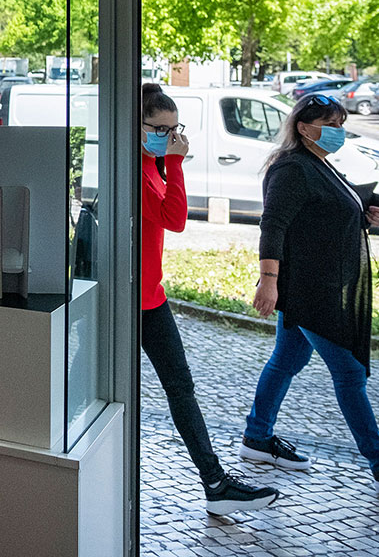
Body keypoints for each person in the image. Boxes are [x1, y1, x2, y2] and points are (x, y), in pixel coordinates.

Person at [241, 93, 379, 498]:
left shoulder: (319, 163)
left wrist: (363, 213)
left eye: (341, 125)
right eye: (330, 125)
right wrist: (268, 280)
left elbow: (320, 215)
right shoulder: (292, 167)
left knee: (287, 360)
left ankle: (257, 438)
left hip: (317, 285)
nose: (338, 132)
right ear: (303, 128)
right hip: (310, 291)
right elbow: (273, 225)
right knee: (349, 373)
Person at [139, 83, 279, 514]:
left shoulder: (150, 165)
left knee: (181, 388)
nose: (169, 137)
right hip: (134, 301)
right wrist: (174, 163)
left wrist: (167, 162)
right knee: (170, 388)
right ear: (136, 125)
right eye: (160, 130)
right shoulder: (136, 170)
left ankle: (215, 483)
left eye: (174, 130)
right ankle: (215, 482)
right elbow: (176, 219)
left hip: (150, 297)